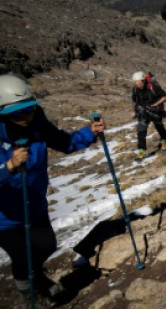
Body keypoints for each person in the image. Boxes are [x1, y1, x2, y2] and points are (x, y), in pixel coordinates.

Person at [0, 74, 106, 305]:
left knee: (46, 245)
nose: (25, 117)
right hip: (4, 217)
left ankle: (35, 278)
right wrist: (8, 167)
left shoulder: (38, 125)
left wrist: (90, 132)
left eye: (29, 109)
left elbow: (65, 143)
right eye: (16, 113)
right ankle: (29, 297)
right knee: (23, 255)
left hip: (34, 206)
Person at [129, 71, 166, 160]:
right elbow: (134, 102)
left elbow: (164, 96)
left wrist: (155, 105)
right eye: (136, 83)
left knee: (159, 126)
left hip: (155, 110)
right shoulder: (135, 90)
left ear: (144, 80)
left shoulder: (153, 87)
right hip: (143, 112)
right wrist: (134, 112)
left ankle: (164, 140)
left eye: (140, 82)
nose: (138, 84)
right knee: (141, 130)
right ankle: (142, 151)